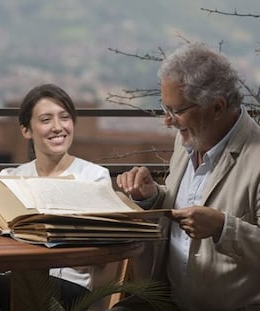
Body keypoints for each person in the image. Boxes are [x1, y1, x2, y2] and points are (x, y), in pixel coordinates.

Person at [110, 42, 260, 311]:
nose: (168, 121)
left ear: (217, 107)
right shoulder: (189, 140)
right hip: (168, 301)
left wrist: (222, 228)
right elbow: (184, 204)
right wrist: (153, 195)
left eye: (176, 111)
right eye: (165, 109)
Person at [0, 83, 117, 310]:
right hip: (13, 278)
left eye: (64, 118)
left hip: (69, 287)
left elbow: (101, 258)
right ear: (26, 130)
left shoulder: (94, 177)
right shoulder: (10, 177)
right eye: (46, 120)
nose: (58, 127)